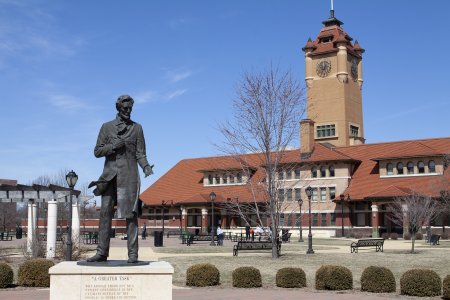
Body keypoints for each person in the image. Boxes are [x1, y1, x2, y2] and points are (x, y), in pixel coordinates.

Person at [87, 95, 153, 263]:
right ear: (118, 108)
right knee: (105, 213)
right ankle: (101, 252)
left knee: (131, 214)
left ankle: (133, 254)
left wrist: (145, 166)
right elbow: (97, 151)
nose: (128, 111)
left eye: (130, 108)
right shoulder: (106, 127)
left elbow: (140, 153)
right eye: (125, 108)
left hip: (129, 175)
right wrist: (112, 147)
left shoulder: (137, 128)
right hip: (110, 175)